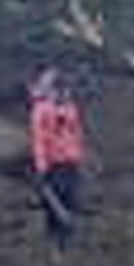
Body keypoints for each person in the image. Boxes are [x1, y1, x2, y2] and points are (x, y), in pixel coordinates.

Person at [28, 71, 89, 248]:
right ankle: (55, 239)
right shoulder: (41, 110)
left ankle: (66, 239)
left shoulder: (71, 109)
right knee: (54, 202)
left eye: (65, 90)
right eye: (58, 89)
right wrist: (41, 165)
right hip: (54, 164)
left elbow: (77, 133)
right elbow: (39, 139)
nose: (63, 93)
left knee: (71, 199)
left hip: (70, 162)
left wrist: (79, 155)